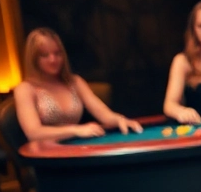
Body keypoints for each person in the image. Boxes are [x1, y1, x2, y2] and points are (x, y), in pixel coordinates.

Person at [13, 28, 142, 142]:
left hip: (75, 147)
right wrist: (76, 130)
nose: (53, 59)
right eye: (45, 55)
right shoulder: (25, 89)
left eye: (57, 53)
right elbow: (33, 133)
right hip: (45, 155)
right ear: (34, 59)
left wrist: (120, 120)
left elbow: (102, 112)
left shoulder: (75, 81)